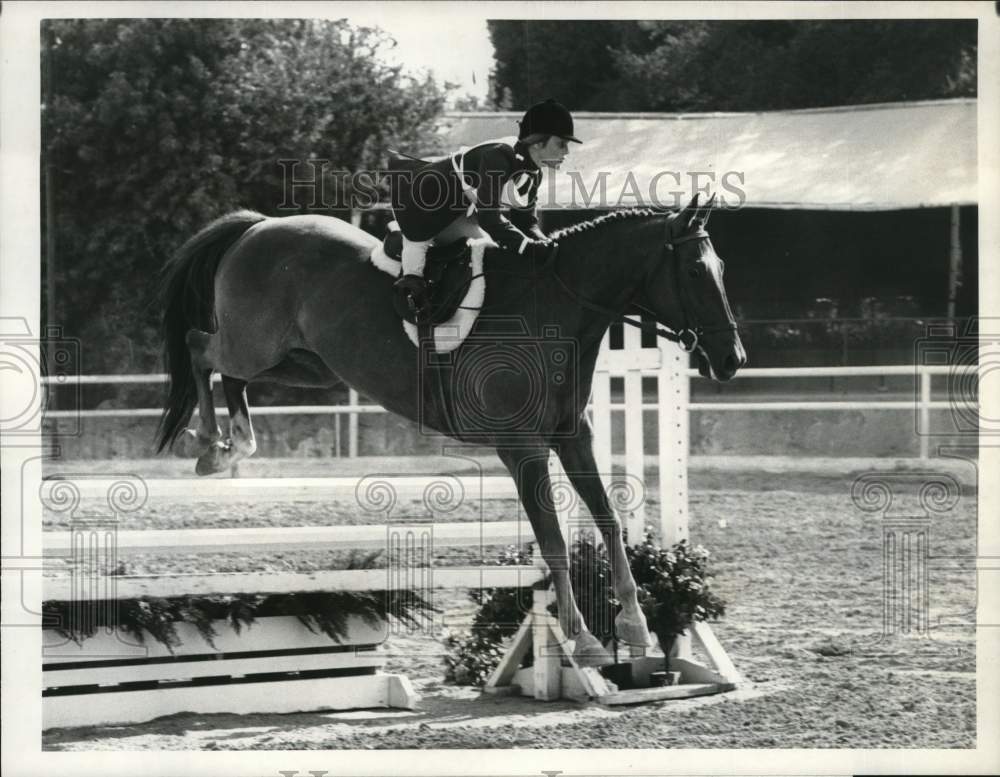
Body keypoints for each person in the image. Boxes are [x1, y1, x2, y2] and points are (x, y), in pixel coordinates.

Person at [391, 98, 581, 321]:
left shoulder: (534, 172)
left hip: (462, 210)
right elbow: (490, 219)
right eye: (561, 144)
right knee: (421, 264)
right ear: (538, 143)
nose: (567, 152)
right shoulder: (498, 156)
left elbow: (525, 221)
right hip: (422, 205)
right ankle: (412, 287)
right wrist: (529, 248)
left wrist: (544, 245)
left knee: (492, 257)